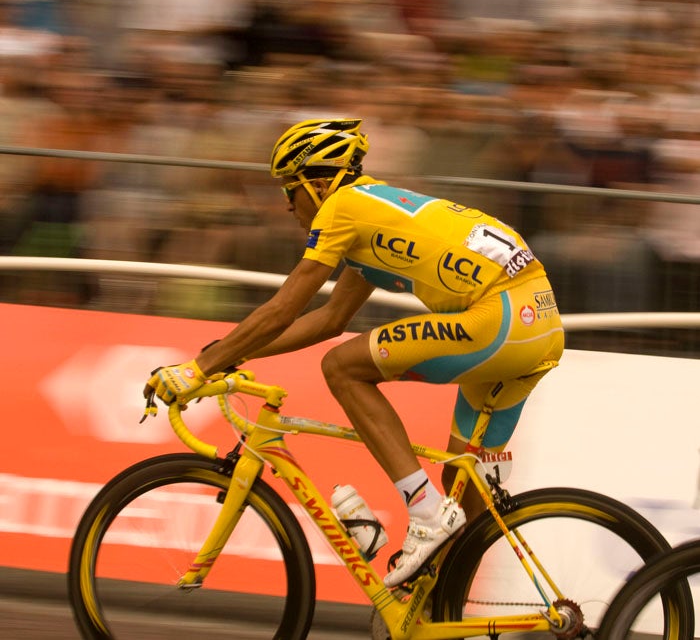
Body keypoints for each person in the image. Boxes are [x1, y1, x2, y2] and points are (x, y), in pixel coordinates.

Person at [144, 118, 565, 587]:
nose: (287, 205)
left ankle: (422, 511)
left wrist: (198, 367)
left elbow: (285, 306)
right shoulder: (375, 214)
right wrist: (233, 354)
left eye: (290, 190)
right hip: (537, 323)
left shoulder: (341, 208)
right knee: (461, 487)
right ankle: (461, 609)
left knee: (342, 368)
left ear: (319, 184)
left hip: (499, 319)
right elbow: (328, 320)